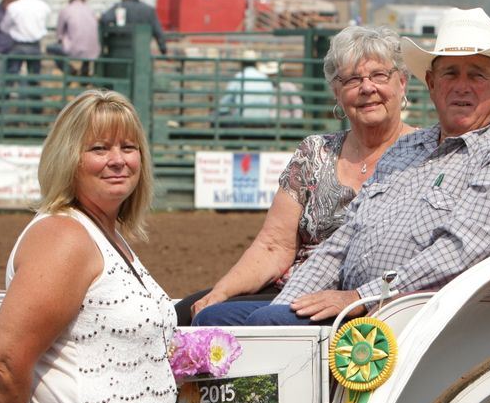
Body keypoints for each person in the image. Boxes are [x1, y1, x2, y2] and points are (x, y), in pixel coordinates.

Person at [194, 7, 490, 327]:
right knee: (215, 319)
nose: (461, 87)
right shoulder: (409, 148)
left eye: (477, 76)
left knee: (261, 329)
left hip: (415, 316)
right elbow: (342, 241)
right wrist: (287, 305)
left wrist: (361, 297)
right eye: (450, 74)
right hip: (358, 305)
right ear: (431, 84)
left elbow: (461, 251)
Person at [0, 90, 177, 403]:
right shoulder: (65, 237)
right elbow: (4, 364)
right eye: (99, 148)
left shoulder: (108, 236)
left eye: (128, 147)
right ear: (69, 159)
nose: (118, 160)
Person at [176, 25, 415, 324]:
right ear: (337, 93)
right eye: (353, 79)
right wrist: (221, 292)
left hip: (360, 301)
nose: (367, 88)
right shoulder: (314, 152)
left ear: (402, 83)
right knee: (186, 313)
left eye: (379, 76)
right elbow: (274, 245)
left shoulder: (422, 154)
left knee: (219, 321)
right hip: (291, 289)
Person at [0, 0, 50, 88]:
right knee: (34, 77)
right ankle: (34, 98)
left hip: (18, 45)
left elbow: (4, 27)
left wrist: (13, 31)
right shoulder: (43, 6)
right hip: (35, 45)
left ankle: (6, 97)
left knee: (11, 75)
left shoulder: (14, 7)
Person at [100, 0, 168, 54]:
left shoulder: (119, 7)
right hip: (142, 53)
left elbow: (104, 19)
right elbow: (158, 32)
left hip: (120, 53)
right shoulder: (149, 10)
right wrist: (163, 49)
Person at [46, 0, 100, 75]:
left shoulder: (66, 10)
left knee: (50, 48)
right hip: (93, 50)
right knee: (86, 47)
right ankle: (84, 73)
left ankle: (70, 71)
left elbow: (59, 34)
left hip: (74, 49)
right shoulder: (90, 10)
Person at [216, 50, 281, 121]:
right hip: (264, 119)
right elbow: (270, 99)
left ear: (241, 64)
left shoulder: (239, 77)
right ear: (256, 63)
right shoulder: (264, 78)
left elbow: (225, 102)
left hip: (243, 120)